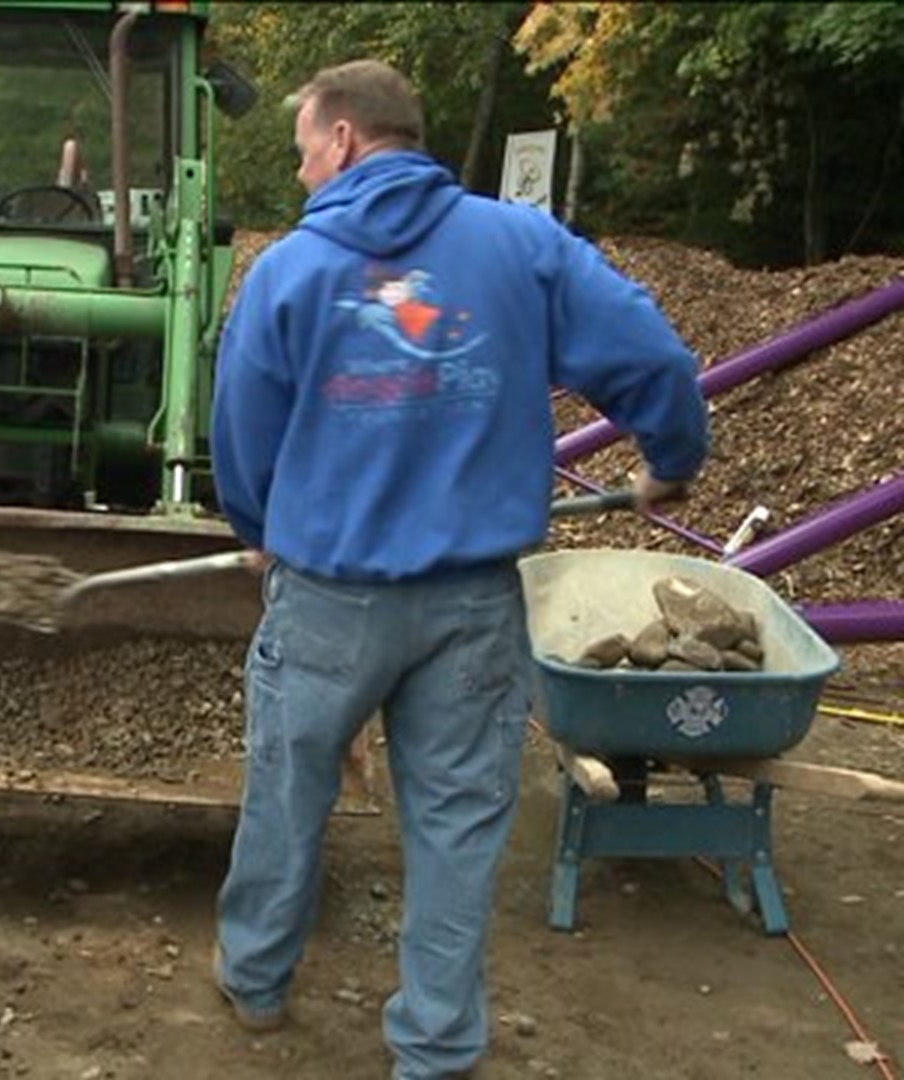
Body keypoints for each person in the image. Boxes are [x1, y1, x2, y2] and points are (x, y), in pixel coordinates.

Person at [208, 60, 708, 1080]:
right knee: (455, 822)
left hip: (328, 597)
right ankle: (434, 1048)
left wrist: (256, 524)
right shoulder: (520, 244)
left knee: (286, 789)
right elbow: (650, 351)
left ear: (343, 138)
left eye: (305, 149)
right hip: (473, 602)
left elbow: (241, 424)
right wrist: (670, 459)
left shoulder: (290, 272)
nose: (304, 173)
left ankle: (257, 981)